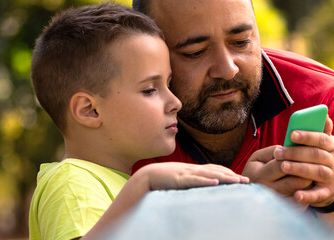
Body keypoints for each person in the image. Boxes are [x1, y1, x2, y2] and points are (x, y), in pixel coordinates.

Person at [131, 0, 334, 238]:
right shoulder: (116, 118)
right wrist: (240, 211)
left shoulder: (323, 97)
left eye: (241, 42)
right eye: (195, 52)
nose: (227, 69)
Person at [28, 3, 249, 240]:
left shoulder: (120, 185)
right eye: (150, 90)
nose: (176, 102)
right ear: (90, 110)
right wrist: (143, 183)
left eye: (169, 84)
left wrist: (251, 185)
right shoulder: (72, 185)